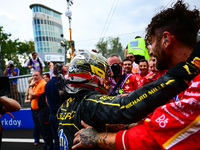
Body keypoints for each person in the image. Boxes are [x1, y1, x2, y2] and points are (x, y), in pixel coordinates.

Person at [72, 1, 200, 149]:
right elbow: (156, 119)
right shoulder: (183, 78)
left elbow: (151, 137)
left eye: (151, 44)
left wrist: (96, 138)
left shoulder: (196, 83)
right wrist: (120, 124)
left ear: (166, 39)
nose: (150, 52)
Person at [29, 70, 53, 149]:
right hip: (37, 111)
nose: (34, 77)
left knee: (46, 130)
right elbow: (29, 97)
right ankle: (46, 145)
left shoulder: (42, 84)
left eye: (36, 75)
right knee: (41, 130)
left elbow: (32, 96)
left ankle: (49, 146)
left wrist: (30, 86)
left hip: (43, 110)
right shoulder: (36, 84)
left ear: (41, 76)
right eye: (33, 76)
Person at [45, 64, 63, 150]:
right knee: (64, 139)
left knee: (56, 139)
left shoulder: (47, 84)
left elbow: (46, 101)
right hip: (61, 115)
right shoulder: (61, 83)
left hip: (52, 115)